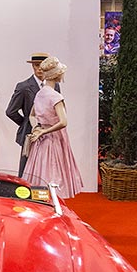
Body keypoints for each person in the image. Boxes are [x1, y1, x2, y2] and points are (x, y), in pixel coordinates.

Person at [22, 56, 83, 199]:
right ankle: (54, 205)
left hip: (42, 140)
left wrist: (38, 128)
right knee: (53, 172)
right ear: (57, 74)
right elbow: (63, 122)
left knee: (40, 172)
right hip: (55, 139)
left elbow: (31, 115)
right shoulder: (55, 96)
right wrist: (44, 130)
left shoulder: (40, 94)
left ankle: (42, 202)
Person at [6, 52, 50, 176]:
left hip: (49, 132)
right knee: (26, 166)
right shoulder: (24, 87)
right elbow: (11, 111)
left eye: (42, 65)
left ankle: (46, 191)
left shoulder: (54, 86)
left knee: (48, 165)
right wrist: (26, 123)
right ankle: (23, 192)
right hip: (30, 132)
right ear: (32, 66)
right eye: (36, 65)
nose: (39, 68)